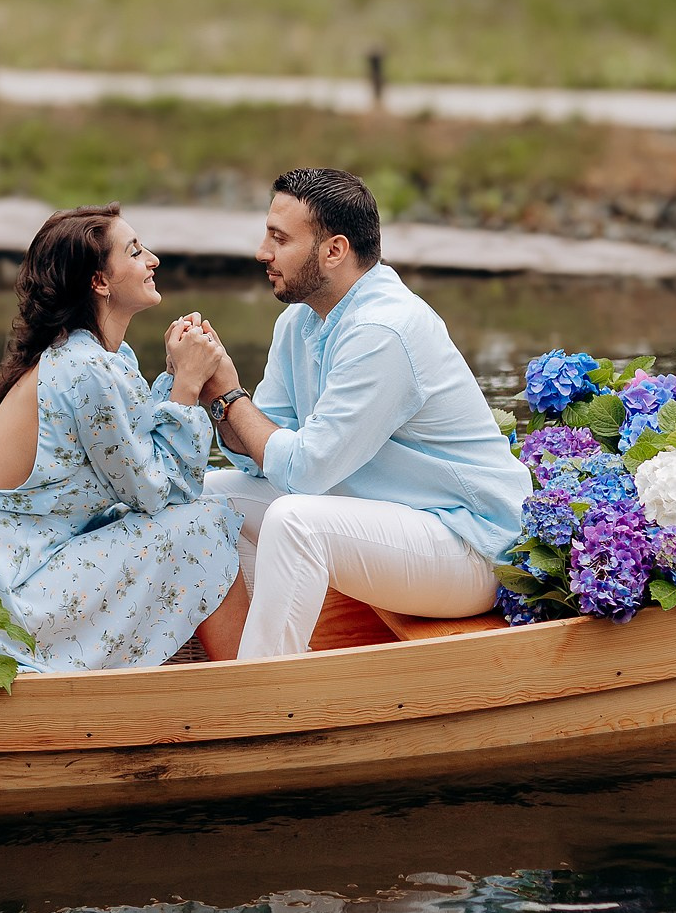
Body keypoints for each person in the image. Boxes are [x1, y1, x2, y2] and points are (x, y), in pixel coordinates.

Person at [196, 168, 530, 659]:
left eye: (279, 238)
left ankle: (261, 700)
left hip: (470, 544)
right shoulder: (300, 321)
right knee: (207, 499)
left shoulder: (383, 330)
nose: (262, 252)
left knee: (296, 521)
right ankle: (245, 658)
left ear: (334, 250)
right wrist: (215, 393)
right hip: (394, 525)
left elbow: (305, 471)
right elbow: (260, 453)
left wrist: (230, 395)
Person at [0, 204, 249, 673]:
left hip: (2, 583)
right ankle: (260, 684)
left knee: (178, 521)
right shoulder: (84, 367)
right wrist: (185, 386)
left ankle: (236, 674)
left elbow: (142, 468)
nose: (153, 259)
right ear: (100, 282)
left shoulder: (96, 357)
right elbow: (160, 492)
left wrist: (175, 376)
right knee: (201, 526)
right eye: (136, 251)